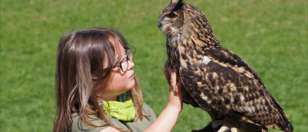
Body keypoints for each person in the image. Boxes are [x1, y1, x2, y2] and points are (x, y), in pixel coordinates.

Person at [53, 27, 183, 132]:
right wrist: (172, 108)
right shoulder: (84, 124)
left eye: (126, 56)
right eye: (120, 63)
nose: (131, 65)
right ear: (91, 79)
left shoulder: (139, 110)